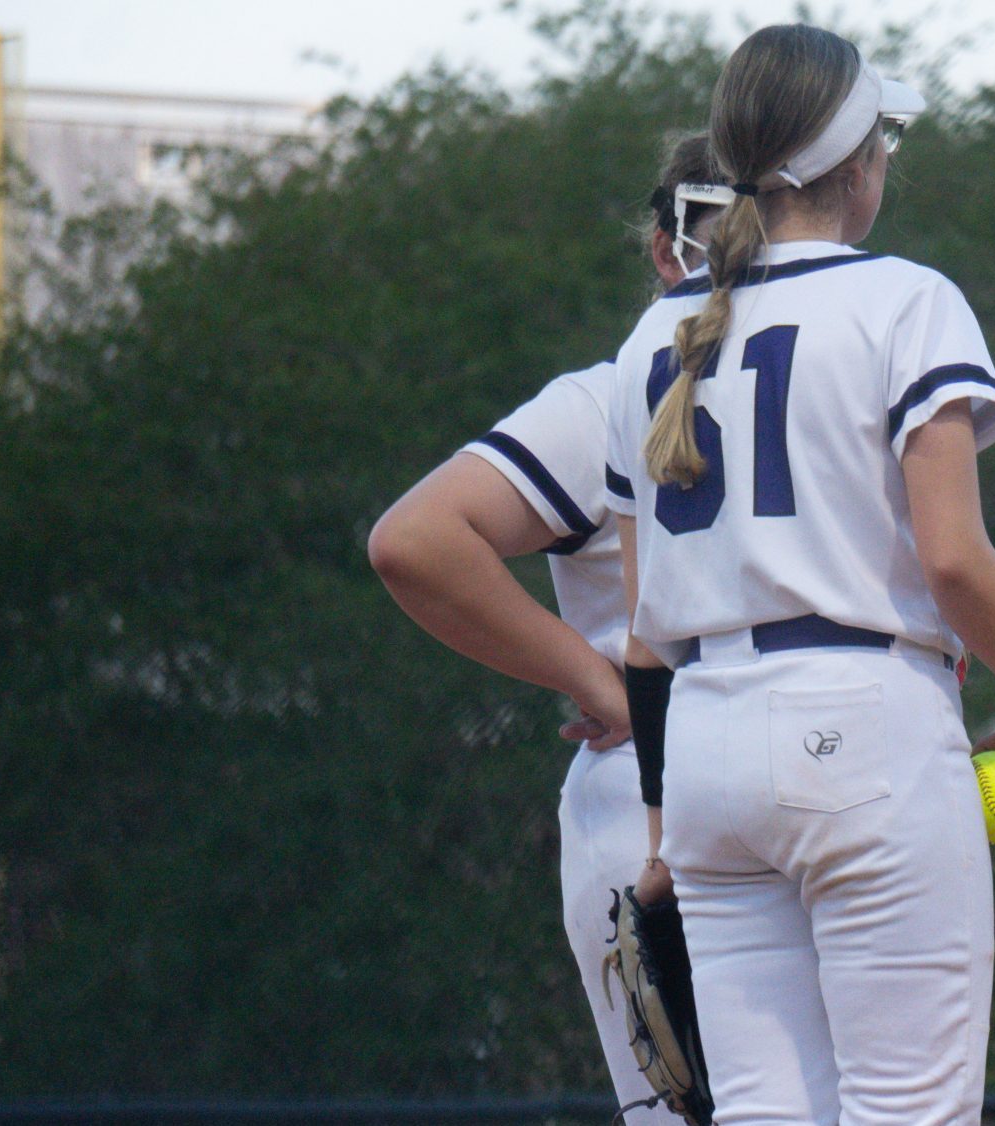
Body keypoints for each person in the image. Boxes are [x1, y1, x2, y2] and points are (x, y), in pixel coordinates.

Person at [602, 24, 995, 1124]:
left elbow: (641, 630)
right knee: (906, 1107)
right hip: (863, 722)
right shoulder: (905, 298)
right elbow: (954, 559)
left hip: (709, 741)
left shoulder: (650, 337)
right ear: (857, 166)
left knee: (768, 1111)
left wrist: (665, 820)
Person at [366, 132, 726, 1125]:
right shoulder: (609, 394)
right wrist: (599, 679)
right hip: (659, 779)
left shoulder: (831, 380)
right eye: (711, 221)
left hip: (777, 769)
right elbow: (418, 539)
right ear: (665, 248)